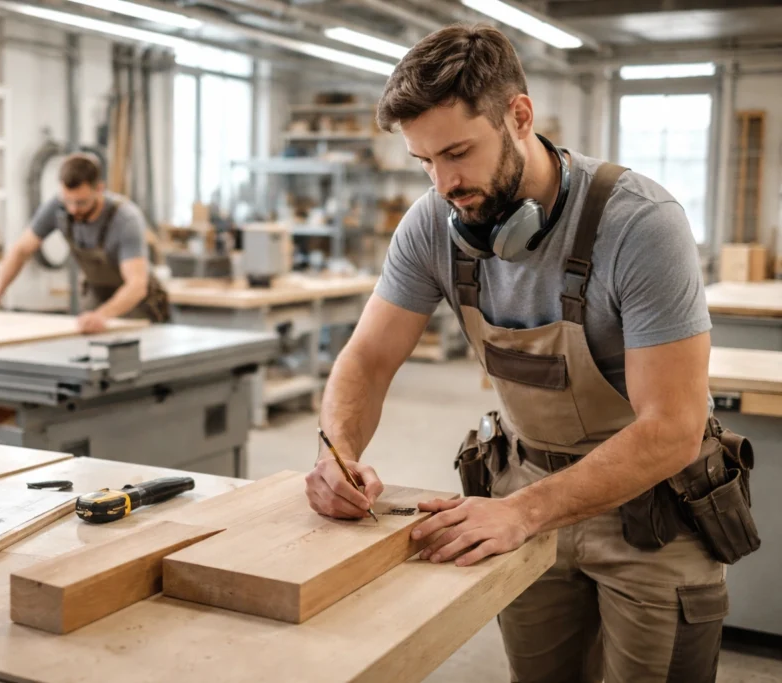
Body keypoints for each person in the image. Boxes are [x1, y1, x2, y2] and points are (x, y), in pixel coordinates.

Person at [304, 24, 758, 683]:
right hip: (521, 487)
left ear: (519, 115)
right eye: (424, 162)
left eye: (457, 152)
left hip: (652, 511)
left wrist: (524, 510)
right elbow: (367, 361)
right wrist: (336, 454)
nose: (443, 184)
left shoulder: (641, 224)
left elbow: (674, 429)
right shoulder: (434, 224)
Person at [0, 153, 169, 331]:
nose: (73, 209)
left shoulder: (125, 218)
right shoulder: (57, 207)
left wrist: (102, 315)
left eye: (81, 202)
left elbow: (136, 285)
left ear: (99, 188)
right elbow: (21, 251)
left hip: (135, 302)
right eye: (68, 201)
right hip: (96, 292)